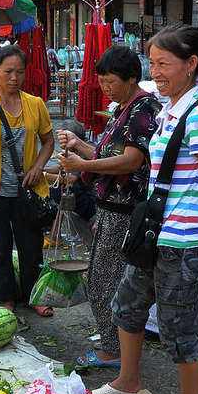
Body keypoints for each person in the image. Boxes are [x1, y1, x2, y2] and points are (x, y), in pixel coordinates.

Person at [91, 25, 198, 394]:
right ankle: (127, 381)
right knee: (127, 306)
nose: (155, 72)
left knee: (180, 329)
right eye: (152, 63)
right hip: (156, 235)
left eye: (164, 64)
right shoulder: (167, 110)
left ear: (191, 65)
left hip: (181, 242)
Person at [56, 46, 162, 369]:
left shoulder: (144, 109)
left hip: (124, 210)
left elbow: (131, 160)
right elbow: (105, 154)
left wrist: (85, 162)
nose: (106, 89)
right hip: (109, 206)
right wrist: (80, 147)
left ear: (132, 79)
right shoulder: (123, 107)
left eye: (111, 82)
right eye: (102, 82)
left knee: (103, 280)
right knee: (104, 278)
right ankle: (111, 339)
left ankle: (113, 349)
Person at [0, 45, 56, 317]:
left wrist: (38, 167)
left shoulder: (35, 104)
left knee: (31, 247)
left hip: (27, 190)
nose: (14, 78)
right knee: (0, 248)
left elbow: (48, 141)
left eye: (19, 72)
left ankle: (34, 296)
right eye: (8, 72)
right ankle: (5, 297)